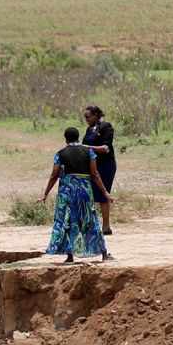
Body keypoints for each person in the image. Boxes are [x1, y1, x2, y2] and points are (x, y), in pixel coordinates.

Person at [38, 126, 109, 263]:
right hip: (84, 189)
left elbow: (54, 175)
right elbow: (94, 173)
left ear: (66, 139)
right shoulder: (88, 151)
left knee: (68, 221)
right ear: (78, 137)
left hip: (68, 190)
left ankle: (70, 255)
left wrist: (46, 193)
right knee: (90, 219)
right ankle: (103, 253)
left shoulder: (61, 153)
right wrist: (105, 192)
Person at [81, 105, 116, 236]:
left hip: (106, 164)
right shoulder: (89, 129)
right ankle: (92, 224)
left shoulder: (105, 127)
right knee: (91, 193)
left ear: (96, 115)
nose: (87, 120)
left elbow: (106, 148)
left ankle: (106, 226)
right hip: (93, 164)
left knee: (104, 192)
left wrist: (86, 147)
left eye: (88, 117)